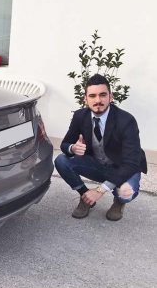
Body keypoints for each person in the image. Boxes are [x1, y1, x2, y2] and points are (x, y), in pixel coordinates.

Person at [54, 74, 147, 220]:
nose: (98, 100)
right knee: (61, 160)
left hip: (123, 168)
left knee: (126, 193)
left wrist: (100, 190)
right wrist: (73, 148)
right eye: (92, 96)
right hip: (98, 165)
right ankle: (86, 198)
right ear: (85, 99)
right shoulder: (80, 116)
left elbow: (131, 162)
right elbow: (64, 144)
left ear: (111, 96)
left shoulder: (126, 120)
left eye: (103, 95)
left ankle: (119, 201)